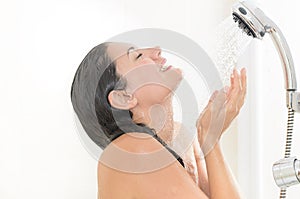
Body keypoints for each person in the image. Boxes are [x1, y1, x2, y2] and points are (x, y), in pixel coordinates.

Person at [70, 42, 247, 199]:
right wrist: (210, 141)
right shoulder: (130, 150)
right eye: (138, 55)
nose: (157, 50)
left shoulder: (183, 140)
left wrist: (209, 139)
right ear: (124, 97)